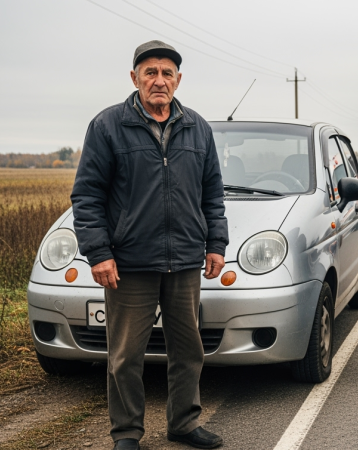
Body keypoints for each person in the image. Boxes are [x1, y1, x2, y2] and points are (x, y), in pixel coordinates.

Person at [71, 40, 228, 450]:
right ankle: (127, 433)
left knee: (188, 350)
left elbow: (212, 194)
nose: (159, 80)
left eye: (167, 73)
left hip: (185, 261)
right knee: (125, 357)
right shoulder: (107, 126)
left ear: (178, 80)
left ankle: (184, 423)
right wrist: (99, 253)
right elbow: (86, 196)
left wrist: (216, 244)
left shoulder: (198, 127)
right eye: (150, 72)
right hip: (129, 263)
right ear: (135, 77)